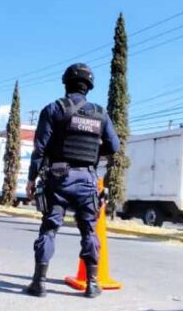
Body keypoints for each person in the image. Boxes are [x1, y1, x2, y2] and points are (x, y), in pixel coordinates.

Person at [24, 63, 120, 298]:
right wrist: (95, 153)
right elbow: (114, 146)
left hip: (58, 179)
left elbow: (39, 150)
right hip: (87, 179)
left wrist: (31, 179)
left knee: (49, 228)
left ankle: (39, 283)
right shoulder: (100, 113)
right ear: (89, 87)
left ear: (66, 84)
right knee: (89, 231)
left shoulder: (53, 109)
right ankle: (92, 284)